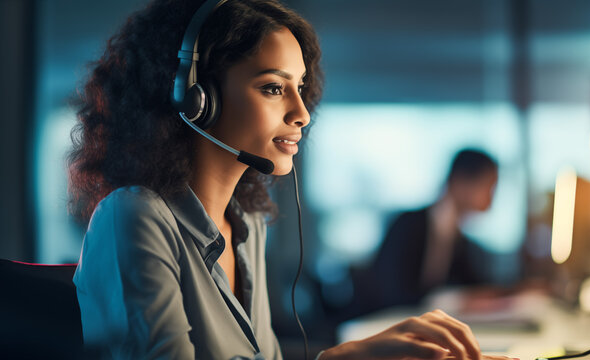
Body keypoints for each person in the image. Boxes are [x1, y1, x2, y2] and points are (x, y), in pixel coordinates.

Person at [68, 0, 514, 359]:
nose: (302, 113)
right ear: (196, 97)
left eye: (301, 87)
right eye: (273, 87)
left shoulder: (247, 227)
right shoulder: (133, 218)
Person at [351, 149, 499, 315]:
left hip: (411, 323)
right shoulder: (408, 225)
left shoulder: (456, 236)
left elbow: (474, 286)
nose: (491, 200)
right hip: (376, 323)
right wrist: (456, 301)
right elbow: (393, 294)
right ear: (460, 182)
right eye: (489, 188)